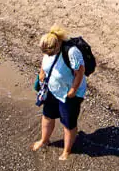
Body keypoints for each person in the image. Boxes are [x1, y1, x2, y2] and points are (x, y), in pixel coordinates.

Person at [33, 28, 87, 161]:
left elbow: (80, 71)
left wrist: (73, 90)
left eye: (49, 52)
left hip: (68, 93)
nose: (47, 54)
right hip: (53, 89)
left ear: (57, 45)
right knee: (47, 115)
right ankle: (44, 140)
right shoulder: (48, 48)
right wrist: (41, 73)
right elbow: (45, 62)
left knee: (68, 123)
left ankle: (67, 150)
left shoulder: (71, 52)